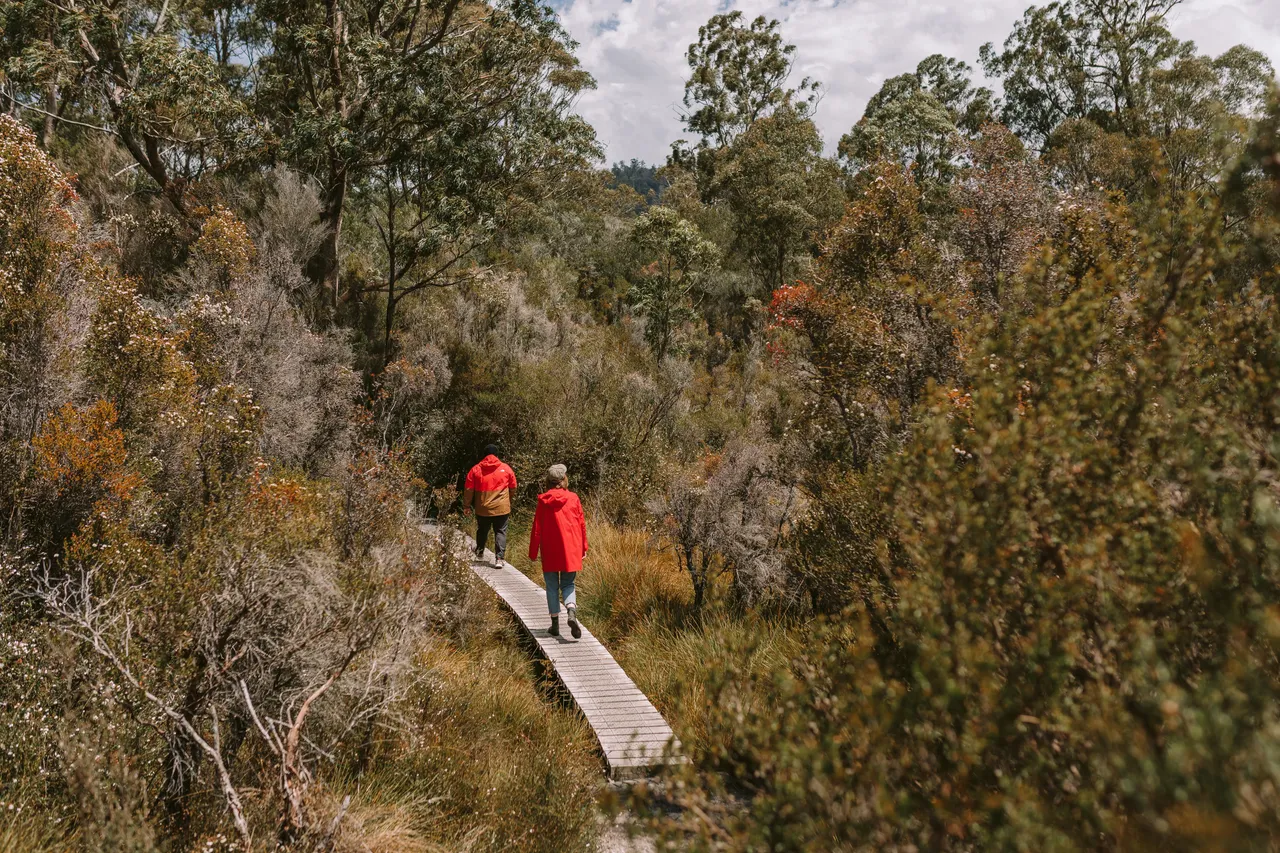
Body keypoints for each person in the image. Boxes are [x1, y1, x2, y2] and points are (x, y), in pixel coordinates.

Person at [528, 464, 587, 639]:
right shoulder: (574, 498)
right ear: (563, 480)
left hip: (550, 549)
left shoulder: (543, 501)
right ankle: (571, 610)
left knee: (552, 586)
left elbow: (537, 528)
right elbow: (581, 524)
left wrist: (533, 552)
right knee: (568, 584)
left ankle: (555, 626)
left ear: (549, 481)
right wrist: (583, 547)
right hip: (571, 549)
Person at [462, 444, 517, 566]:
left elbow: (469, 490)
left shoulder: (476, 469)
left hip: (482, 508)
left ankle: (480, 552)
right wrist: (508, 500)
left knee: (482, 530)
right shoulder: (506, 468)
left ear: (484, 455)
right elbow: (513, 487)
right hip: (502, 508)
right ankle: (499, 559)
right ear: (497, 455)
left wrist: (466, 506)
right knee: (500, 531)